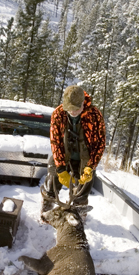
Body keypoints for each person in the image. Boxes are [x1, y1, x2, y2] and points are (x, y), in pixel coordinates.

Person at [41, 85, 106, 213]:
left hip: (85, 159)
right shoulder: (58, 114)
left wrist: (90, 166)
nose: (72, 112)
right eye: (69, 108)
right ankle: (46, 213)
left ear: (83, 103)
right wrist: (60, 168)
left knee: (82, 190)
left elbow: (100, 143)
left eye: (76, 109)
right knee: (52, 182)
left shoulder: (94, 115)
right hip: (63, 156)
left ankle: (78, 219)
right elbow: (56, 142)